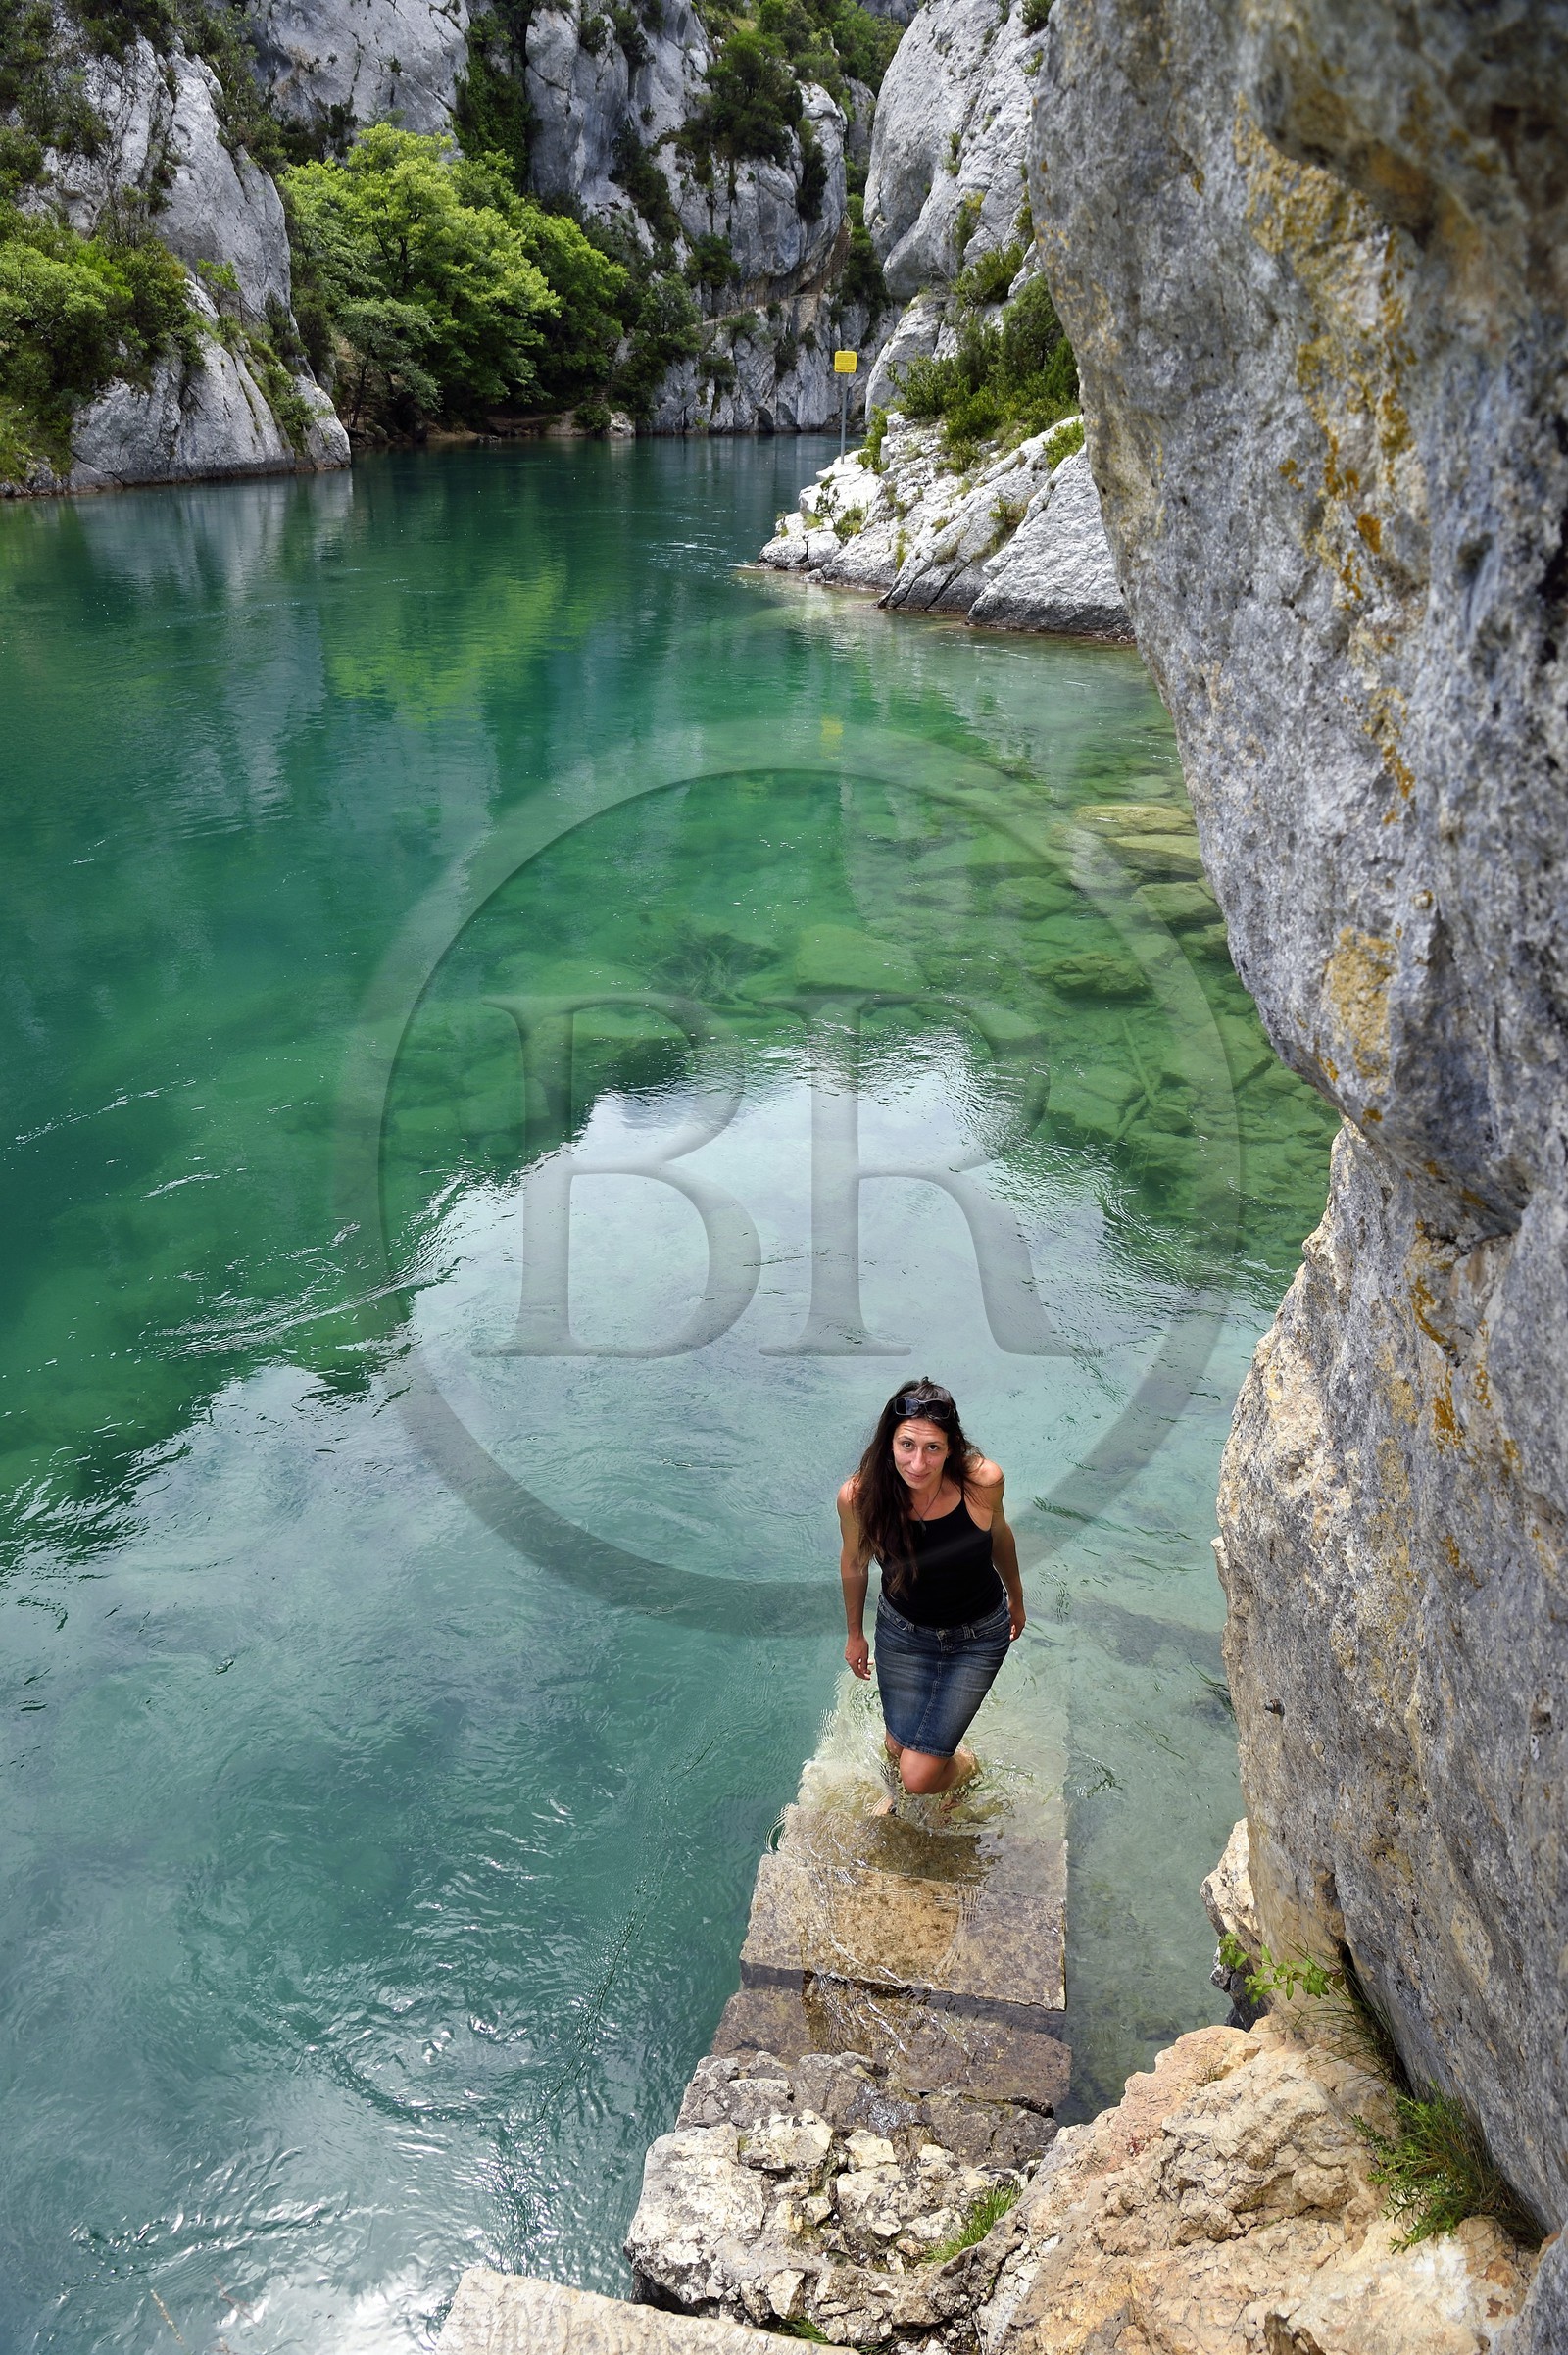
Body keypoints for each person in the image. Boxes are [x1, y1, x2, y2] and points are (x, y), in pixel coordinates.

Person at [837, 1378, 1025, 1799]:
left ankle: (962, 1765)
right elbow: (853, 1560)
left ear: (951, 1447)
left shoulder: (982, 1482)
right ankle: (904, 1795)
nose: (918, 1463)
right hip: (902, 1634)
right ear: (889, 1442)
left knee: (918, 1775)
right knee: (896, 1745)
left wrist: (1017, 1597)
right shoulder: (860, 1496)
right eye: (907, 1445)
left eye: (933, 1448)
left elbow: (1000, 1538)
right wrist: (854, 1633)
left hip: (978, 1635)